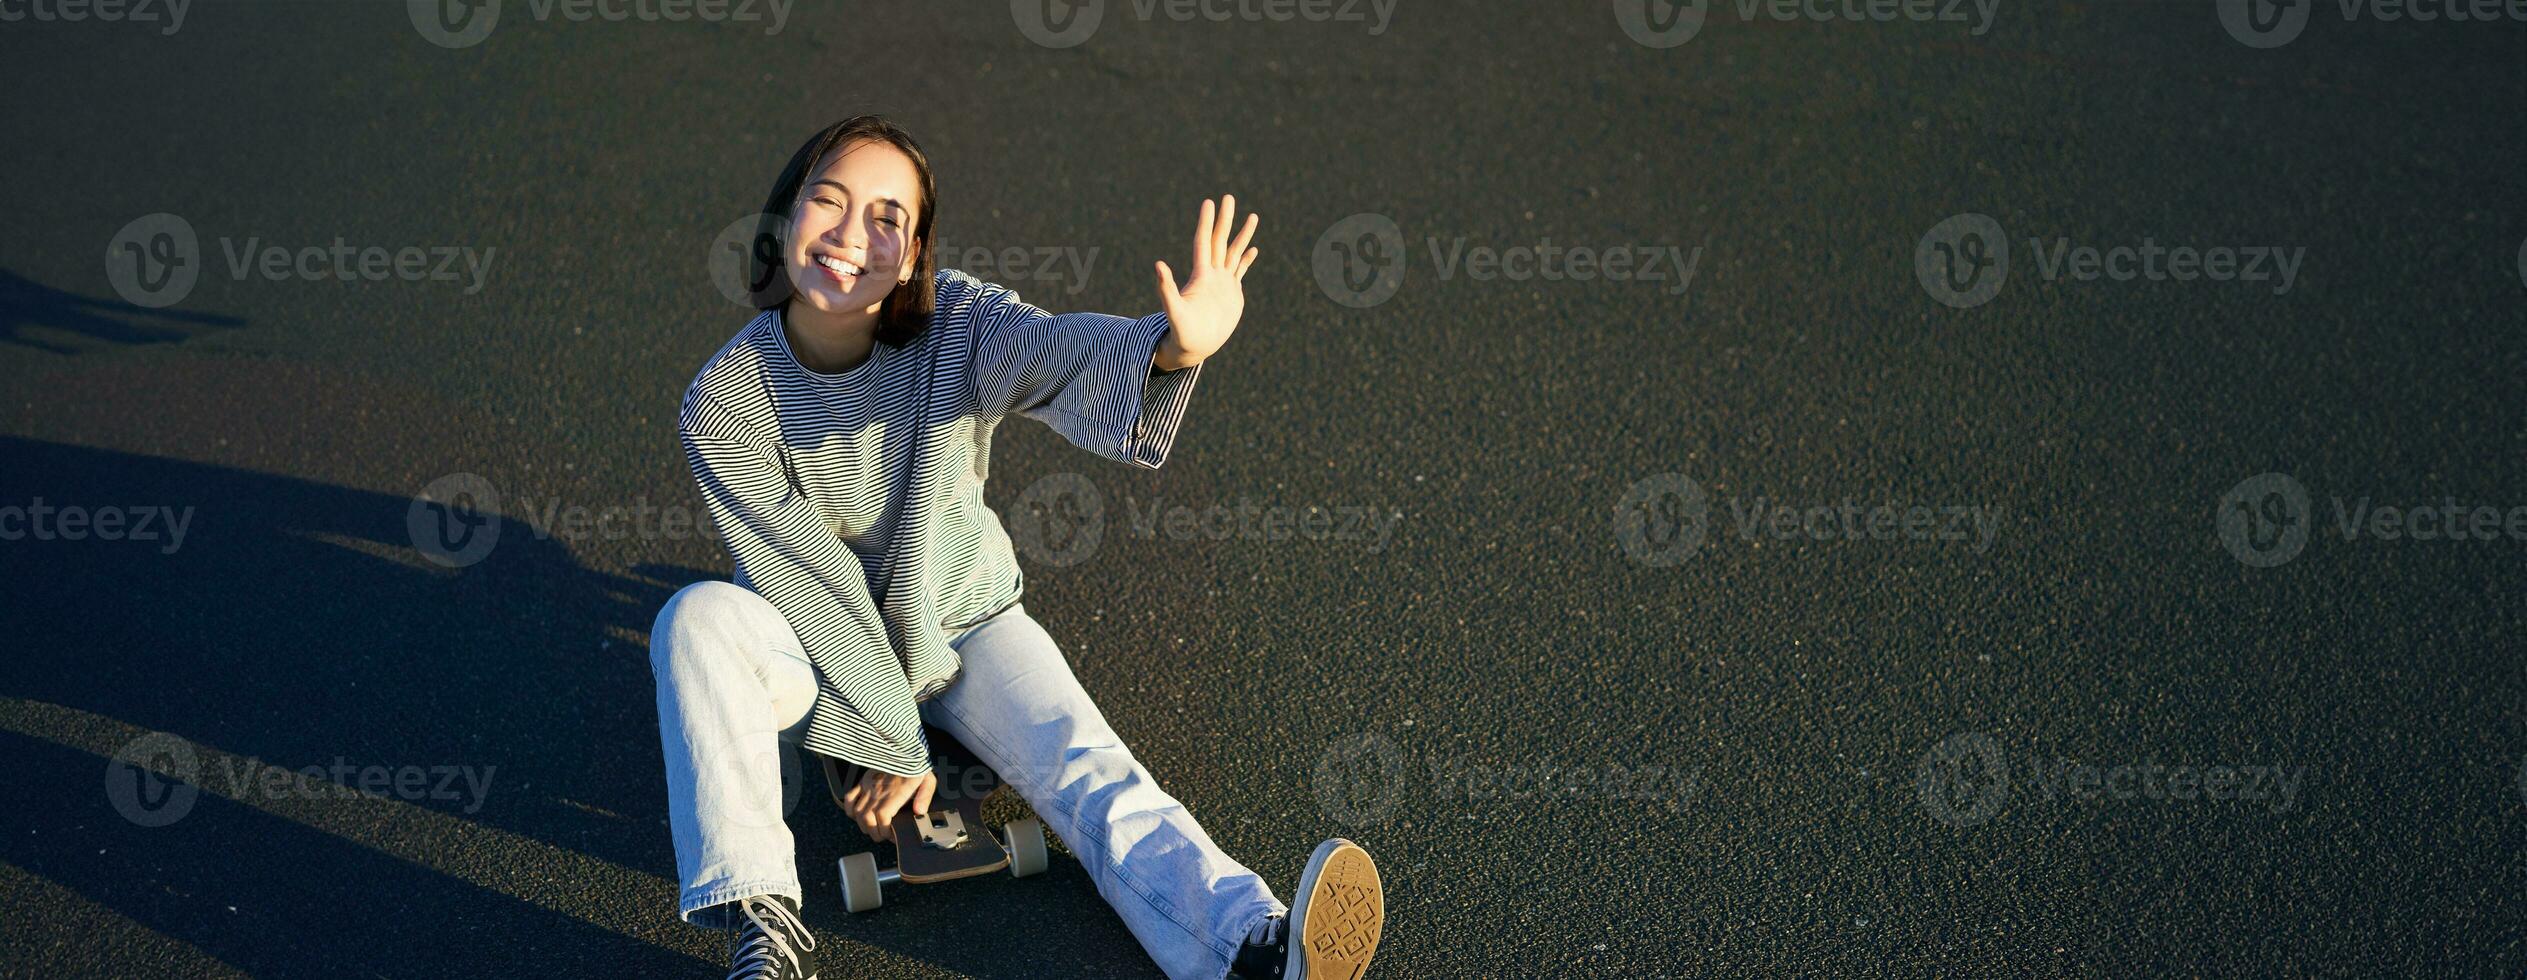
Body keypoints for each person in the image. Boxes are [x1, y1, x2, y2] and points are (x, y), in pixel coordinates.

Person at [649, 115, 1386, 980]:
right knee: (696, 618)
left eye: (887, 218)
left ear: (916, 248)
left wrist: (1171, 345)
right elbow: (810, 583)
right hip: (816, 645)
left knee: (1093, 770)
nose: (853, 236)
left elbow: (1047, 347)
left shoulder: (957, 324)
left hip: (960, 620)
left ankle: (1249, 946)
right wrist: (882, 744)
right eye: (830, 201)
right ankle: (762, 929)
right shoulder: (725, 402)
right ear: (784, 215)